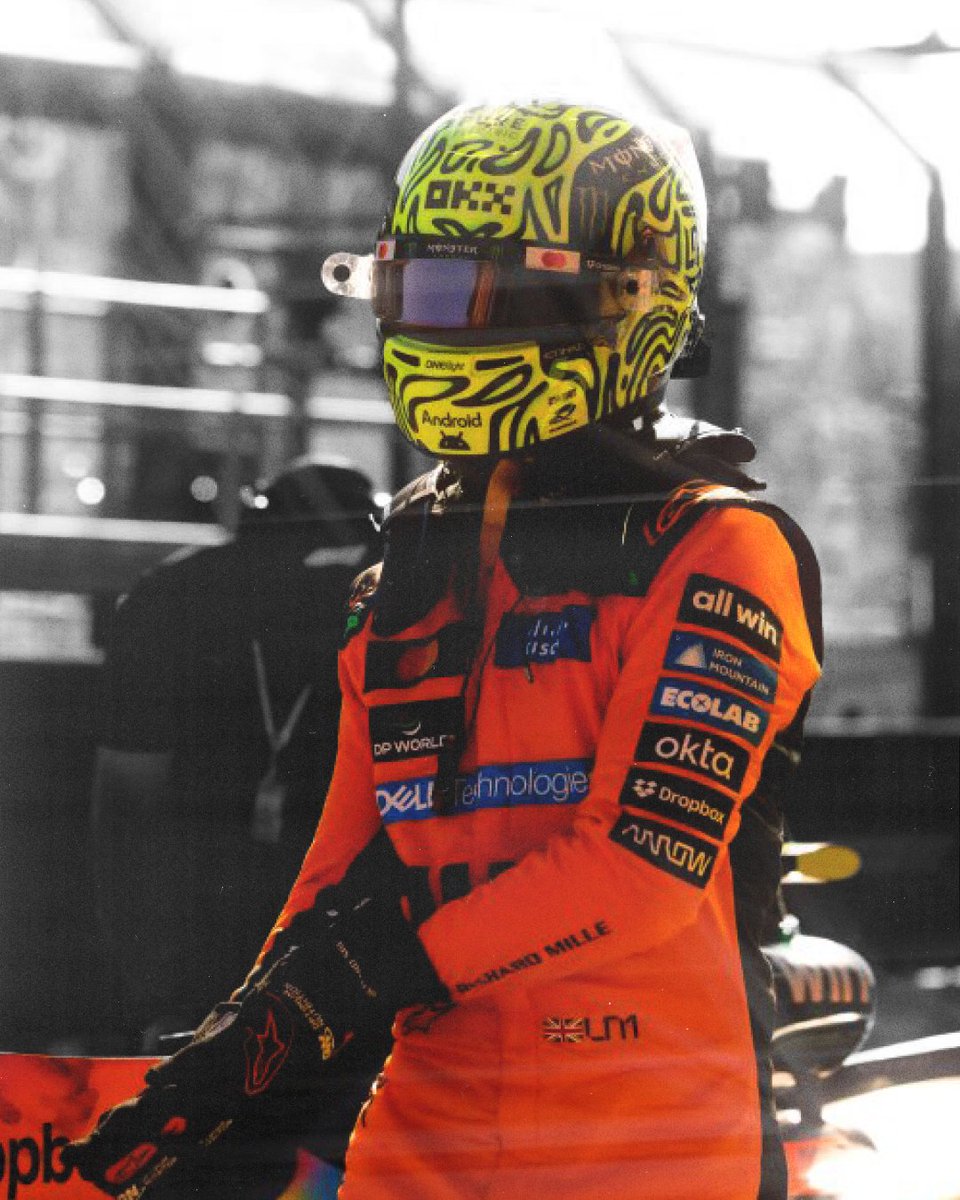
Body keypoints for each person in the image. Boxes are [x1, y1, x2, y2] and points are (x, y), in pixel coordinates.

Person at [68, 100, 822, 1200]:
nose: (447, 330)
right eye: (416, 293)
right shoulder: (413, 556)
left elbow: (643, 871)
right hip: (427, 1135)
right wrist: (241, 1051)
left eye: (487, 297)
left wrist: (375, 970)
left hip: (652, 1147)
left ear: (624, 300)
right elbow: (341, 857)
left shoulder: (720, 546)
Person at [89, 455, 382, 1053]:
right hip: (258, 913)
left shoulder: (170, 594)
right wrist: (151, 991)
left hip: (249, 911)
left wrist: (148, 992)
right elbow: (126, 809)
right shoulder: (169, 602)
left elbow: (125, 806)